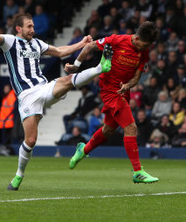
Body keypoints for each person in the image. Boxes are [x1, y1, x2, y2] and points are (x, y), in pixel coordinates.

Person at [0, 13, 110, 191]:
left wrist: (82, 44)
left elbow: (58, 51)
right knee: (31, 140)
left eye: (33, 26)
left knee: (67, 80)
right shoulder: (11, 41)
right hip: (27, 96)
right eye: (29, 26)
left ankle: (99, 68)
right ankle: (19, 175)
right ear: (19, 28)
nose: (33, 30)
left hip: (43, 87)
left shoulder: (36, 43)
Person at [66, 21, 159, 183]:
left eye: (148, 46)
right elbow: (89, 47)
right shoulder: (117, 40)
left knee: (108, 130)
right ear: (136, 38)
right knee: (131, 127)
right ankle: (137, 171)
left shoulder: (144, 50)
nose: (145, 49)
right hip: (109, 90)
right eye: (144, 45)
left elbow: (137, 75)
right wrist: (76, 66)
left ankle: (83, 149)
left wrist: (129, 85)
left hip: (124, 91)